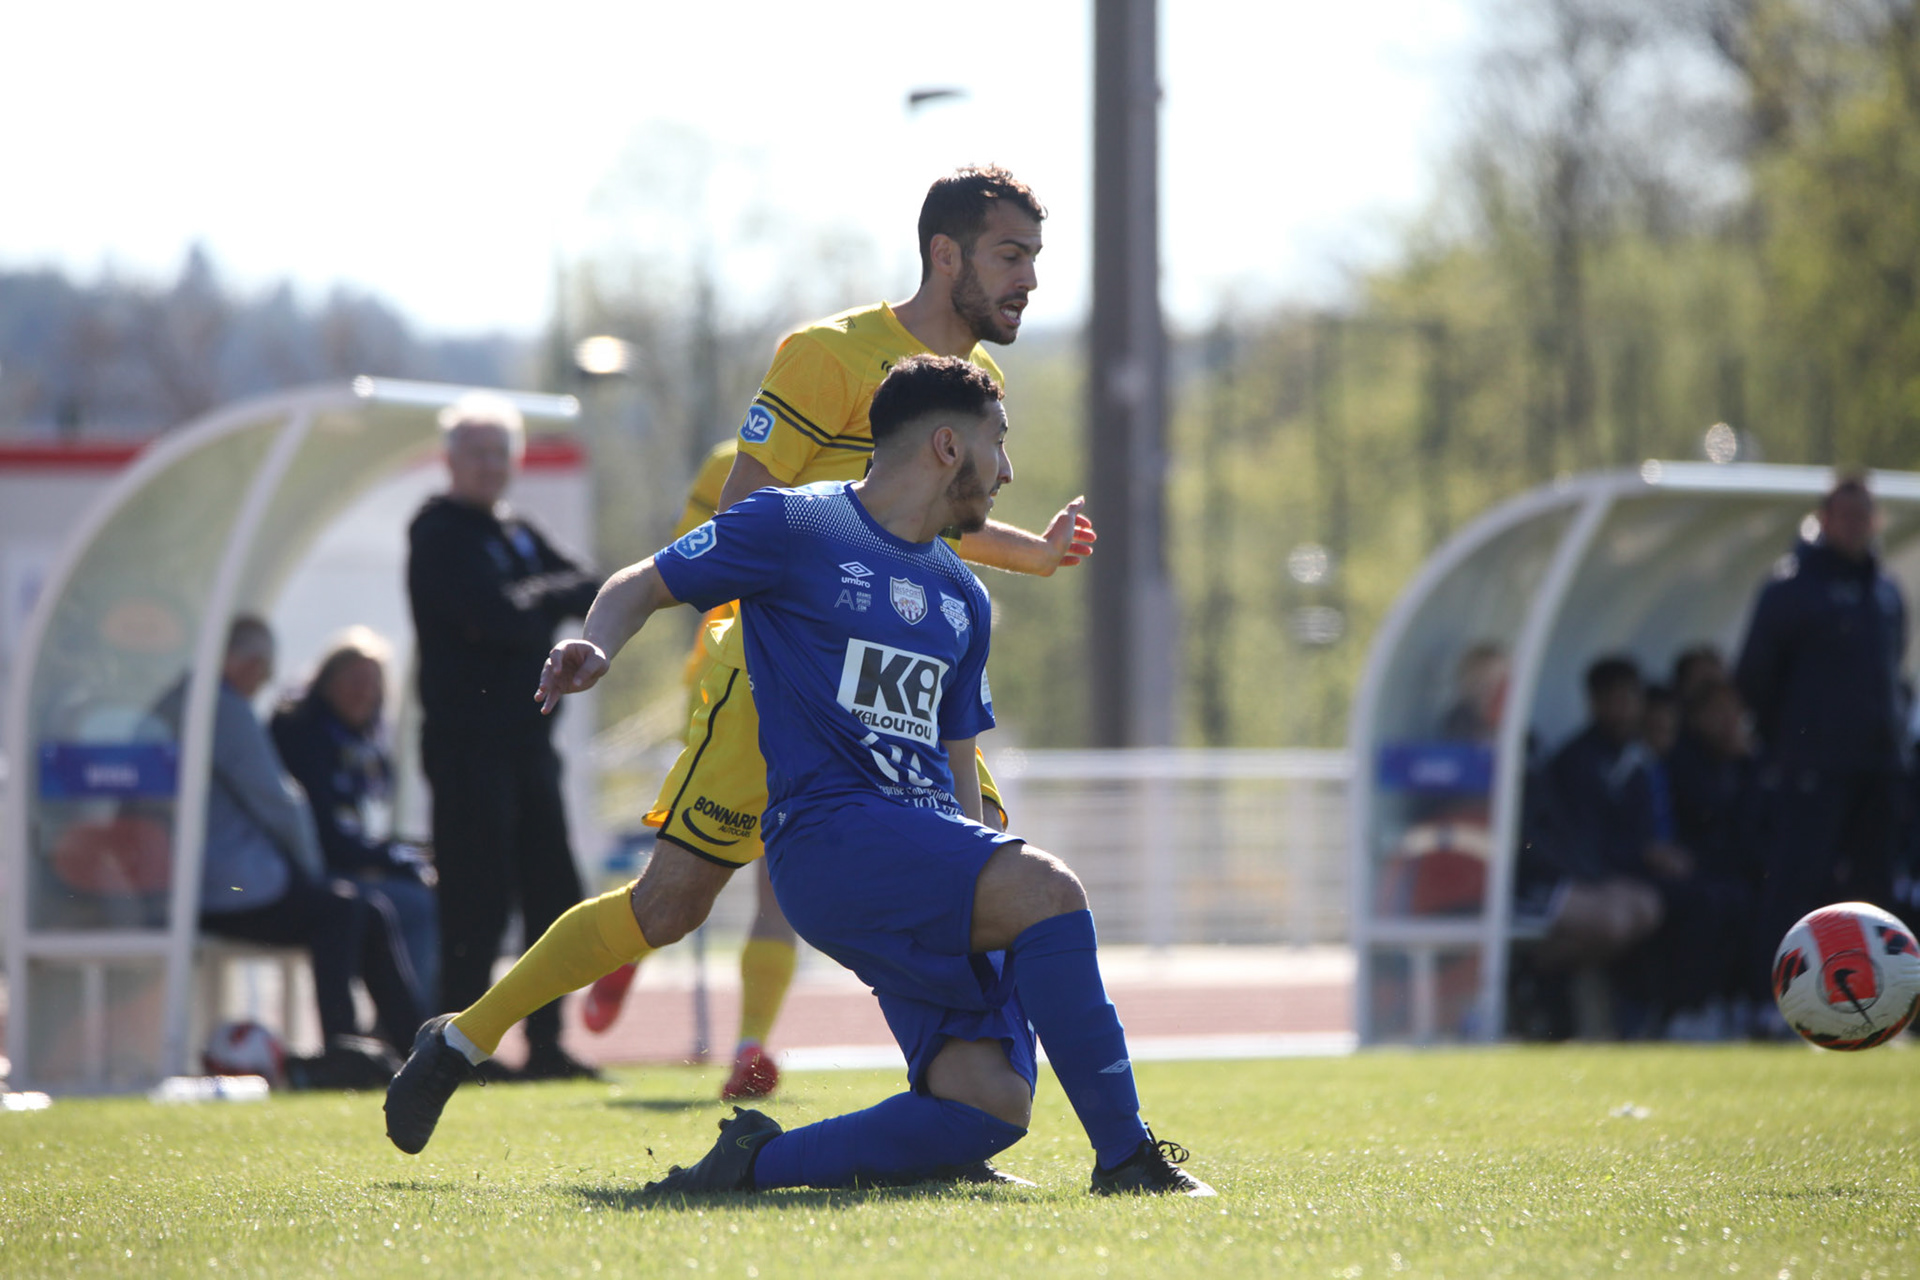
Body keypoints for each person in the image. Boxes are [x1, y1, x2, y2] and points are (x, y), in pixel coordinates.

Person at [391, 355, 1209, 1194]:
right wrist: (596, 643)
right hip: (830, 837)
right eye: (997, 444)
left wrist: (980, 877)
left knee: (987, 1107)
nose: (1008, 470)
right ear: (945, 447)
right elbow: (644, 580)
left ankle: (748, 1164)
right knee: (1045, 889)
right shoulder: (795, 522)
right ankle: (1127, 1158)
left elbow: (959, 764)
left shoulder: (961, 594)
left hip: (921, 854)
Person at [411, 165, 1092, 1107]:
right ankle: (462, 1039)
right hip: (779, 679)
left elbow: (936, 523)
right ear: (946, 255)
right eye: (1011, 256)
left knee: (988, 870)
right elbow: (745, 511)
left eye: (1034, 258)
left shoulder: (981, 387)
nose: (1029, 279)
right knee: (668, 906)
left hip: (898, 678)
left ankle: (966, 1110)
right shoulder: (828, 355)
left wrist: (1037, 556)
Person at [580, 438, 805, 1102]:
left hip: (817, 691)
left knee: (781, 883)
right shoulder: (734, 460)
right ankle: (628, 947)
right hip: (731, 681)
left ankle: (749, 1047)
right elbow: (692, 564)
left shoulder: (885, 453)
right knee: (689, 874)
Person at [407, 393, 603, 1080]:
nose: (490, 465)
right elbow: (493, 616)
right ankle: (458, 1051)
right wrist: (543, 600)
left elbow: (590, 585)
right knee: (475, 902)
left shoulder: (515, 530)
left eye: (500, 452)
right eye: (477, 452)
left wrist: (533, 599)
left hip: (527, 745)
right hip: (466, 749)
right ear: (450, 460)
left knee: (554, 892)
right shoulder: (438, 532)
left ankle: (547, 1044)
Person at [159, 615, 423, 1070]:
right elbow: (281, 803)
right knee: (345, 910)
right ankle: (348, 1049)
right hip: (225, 889)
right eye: (263, 671)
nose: (261, 684)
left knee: (359, 911)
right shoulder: (223, 707)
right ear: (250, 663)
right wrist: (312, 871)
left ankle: (406, 1049)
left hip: (189, 883)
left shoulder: (179, 702)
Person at [1736, 476, 1909, 1020]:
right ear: (1825, 519)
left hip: (1877, 767)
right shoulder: (1790, 588)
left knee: (1874, 891)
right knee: (1796, 882)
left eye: (1864, 516)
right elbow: (1755, 677)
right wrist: (1794, 740)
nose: (1856, 527)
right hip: (1811, 767)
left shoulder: (1885, 590)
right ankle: (1771, 1005)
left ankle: (1876, 1007)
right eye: (1845, 516)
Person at [270, 627, 440, 1009]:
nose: (363, 692)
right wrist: (399, 863)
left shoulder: (361, 743)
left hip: (342, 865)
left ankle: (413, 1020)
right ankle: (412, 1025)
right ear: (326, 681)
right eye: (354, 680)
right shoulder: (302, 733)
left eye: (372, 683)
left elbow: (361, 831)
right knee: (416, 905)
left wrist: (407, 856)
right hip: (303, 875)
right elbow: (329, 837)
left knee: (431, 894)